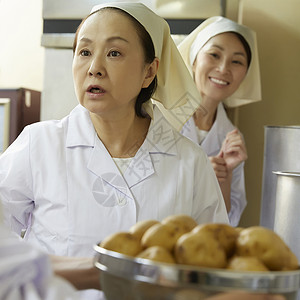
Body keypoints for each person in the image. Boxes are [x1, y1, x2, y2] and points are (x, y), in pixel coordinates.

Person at [0, 3, 229, 299]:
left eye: (114, 53)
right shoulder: (39, 146)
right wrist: (88, 271)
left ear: (149, 72)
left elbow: (216, 261)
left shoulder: (189, 161)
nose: (94, 67)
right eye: (84, 52)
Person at [178, 16, 262, 226]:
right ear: (194, 59)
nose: (224, 68)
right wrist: (198, 174)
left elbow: (228, 220)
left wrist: (222, 179)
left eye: (237, 61)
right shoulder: (158, 118)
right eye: (214, 55)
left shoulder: (232, 138)